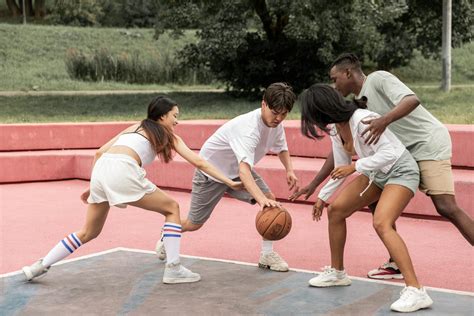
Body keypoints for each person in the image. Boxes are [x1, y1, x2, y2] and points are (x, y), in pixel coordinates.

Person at [21, 96, 242, 284]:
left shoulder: (135, 127)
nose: (177, 120)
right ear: (163, 116)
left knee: (89, 231)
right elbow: (199, 162)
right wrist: (229, 182)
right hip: (122, 169)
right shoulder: (168, 136)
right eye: (175, 115)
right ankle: (173, 268)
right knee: (172, 208)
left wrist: (95, 186)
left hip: (103, 170)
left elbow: (99, 153)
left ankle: (40, 265)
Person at [292, 53, 474, 280]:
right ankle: (395, 262)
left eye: (335, 78)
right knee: (373, 204)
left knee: (445, 206)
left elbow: (412, 100)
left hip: (426, 143)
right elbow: (339, 152)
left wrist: (383, 120)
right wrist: (315, 185)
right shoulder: (350, 111)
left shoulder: (377, 79)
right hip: (397, 154)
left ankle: (409, 278)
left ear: (348, 73)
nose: (334, 84)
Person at [300, 84, 433, 313]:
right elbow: (341, 166)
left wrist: (355, 167)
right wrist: (323, 196)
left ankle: (416, 290)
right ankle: (338, 272)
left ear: (323, 110)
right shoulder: (336, 129)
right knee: (336, 210)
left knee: (382, 222)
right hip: (377, 173)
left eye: (313, 116)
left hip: (400, 170)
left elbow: (388, 154)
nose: (314, 122)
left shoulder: (362, 120)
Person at [156, 82, 298, 272]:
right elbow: (244, 172)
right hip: (211, 173)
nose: (279, 118)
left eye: (284, 114)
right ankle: (168, 233)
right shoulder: (248, 129)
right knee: (193, 223)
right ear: (263, 104)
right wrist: (260, 199)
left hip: (236, 170)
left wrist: (289, 170)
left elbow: (281, 148)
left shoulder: (276, 123)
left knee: (270, 200)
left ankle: (267, 254)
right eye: (275, 112)